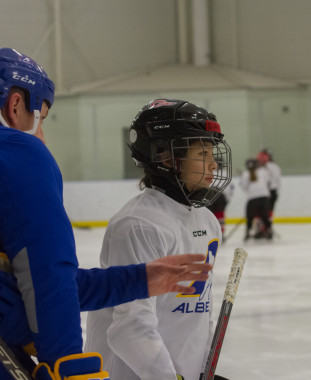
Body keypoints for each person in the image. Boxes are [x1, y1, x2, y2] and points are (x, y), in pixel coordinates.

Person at [0, 48, 214, 380]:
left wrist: (136, 280)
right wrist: (67, 366)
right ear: (15, 106)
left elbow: (48, 284)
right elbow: (48, 279)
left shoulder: (202, 220)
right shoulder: (20, 154)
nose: (41, 136)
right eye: (40, 119)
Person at [84, 99, 232, 380]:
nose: (214, 163)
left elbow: (200, 310)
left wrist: (202, 370)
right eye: (202, 152)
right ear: (166, 157)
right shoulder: (139, 224)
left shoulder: (207, 221)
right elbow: (130, 326)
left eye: (212, 152)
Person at [239, 158, 272, 240]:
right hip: (264, 196)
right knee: (265, 216)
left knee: (250, 216)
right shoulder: (263, 171)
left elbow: (244, 187)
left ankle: (248, 232)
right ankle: (269, 230)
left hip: (252, 197)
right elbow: (268, 182)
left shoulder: (245, 174)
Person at [207, 175, 234, 241]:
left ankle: (212, 235)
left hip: (210, 195)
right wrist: (226, 201)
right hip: (220, 196)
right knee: (219, 216)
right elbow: (230, 189)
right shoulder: (225, 173)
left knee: (210, 216)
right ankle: (220, 234)